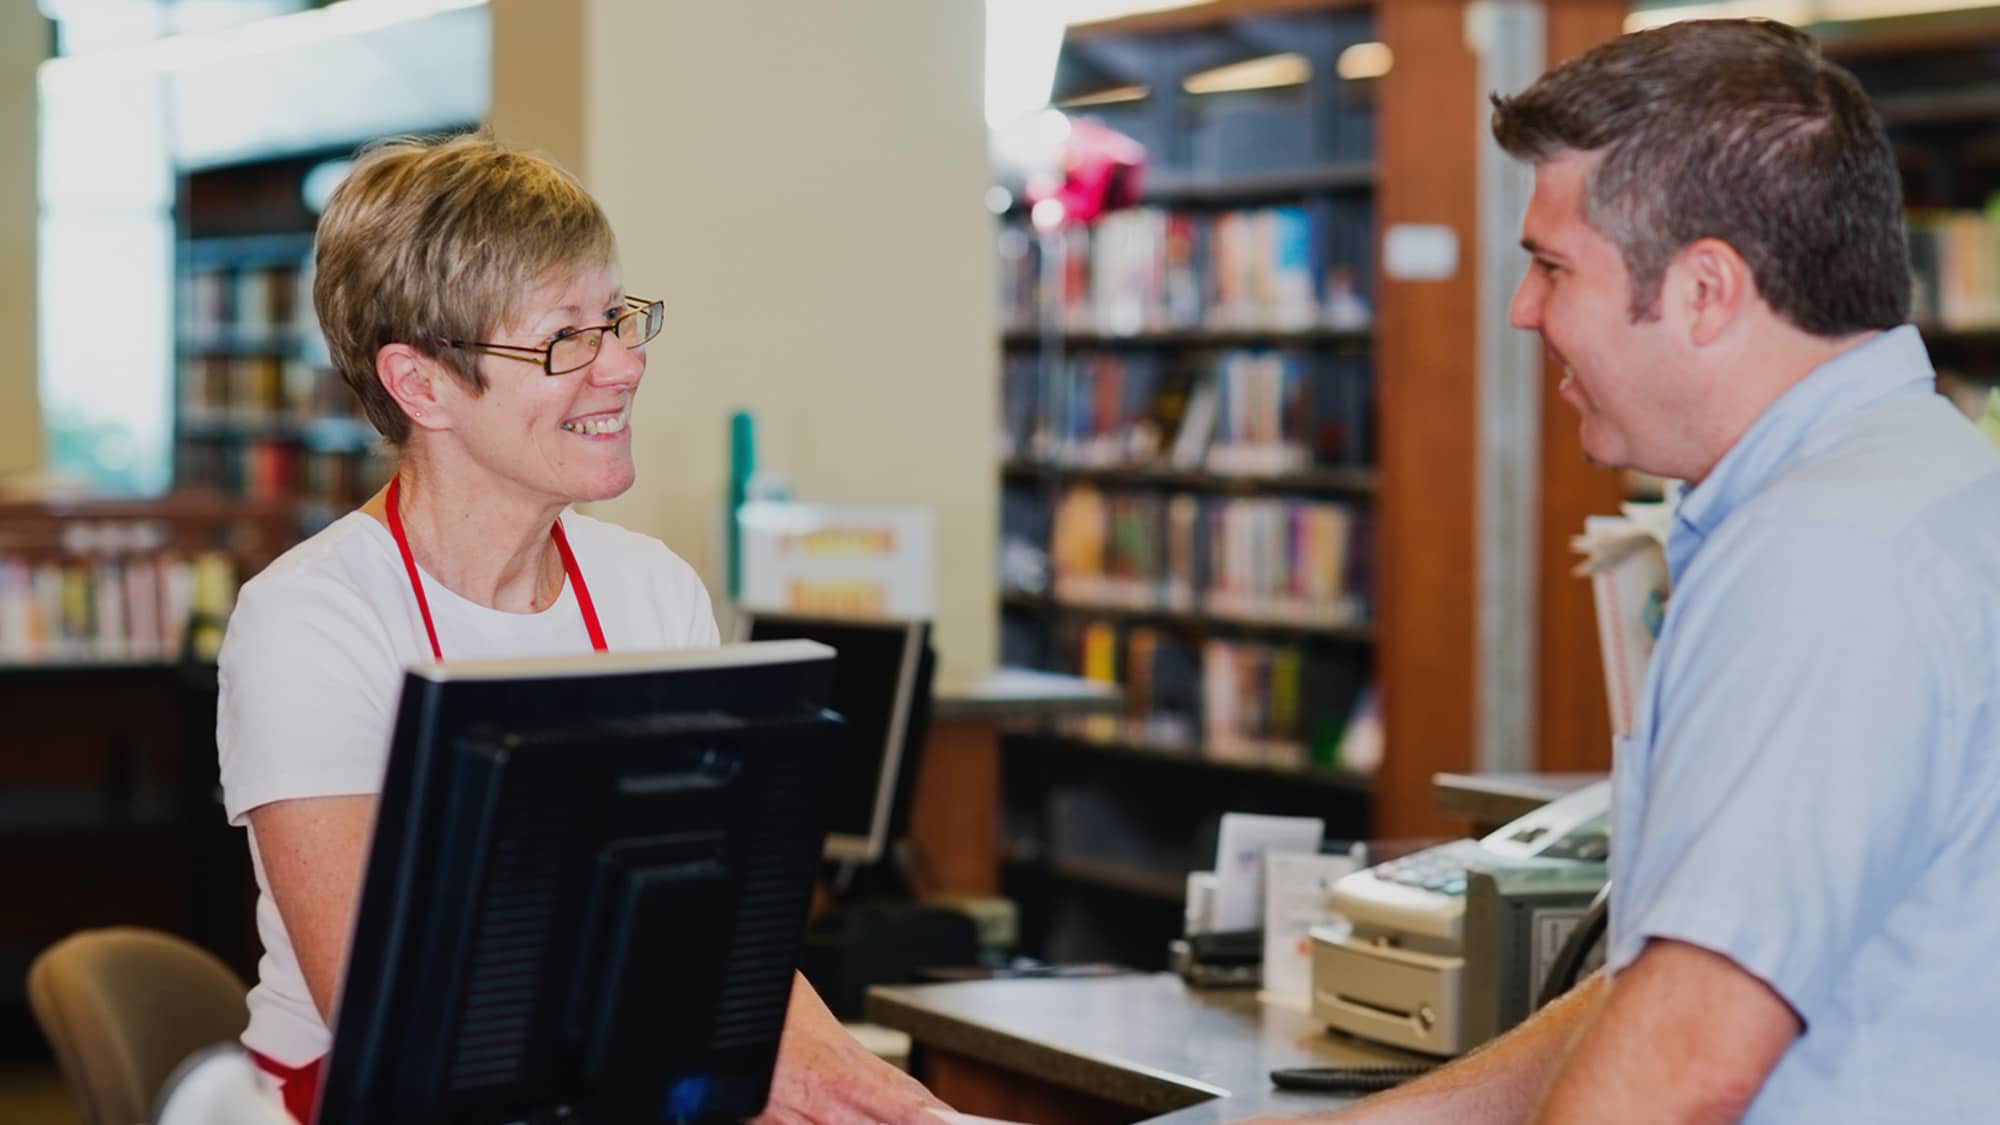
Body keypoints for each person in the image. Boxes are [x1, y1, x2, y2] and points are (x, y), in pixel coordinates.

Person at [1276, 18, 2000, 1124]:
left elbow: (1682, 1067)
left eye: (1552, 266)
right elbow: (1660, 995)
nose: (1523, 310)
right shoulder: (1925, 479)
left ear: (1705, 290)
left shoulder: (1823, 556)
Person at [215, 132, 951, 1125]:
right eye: (566, 339)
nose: (625, 364)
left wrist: (871, 1091)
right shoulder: (311, 620)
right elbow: (385, 1009)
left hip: (608, 1080)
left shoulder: (653, 589)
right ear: (420, 384)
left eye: (616, 319)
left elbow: (726, 938)